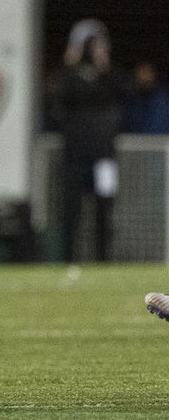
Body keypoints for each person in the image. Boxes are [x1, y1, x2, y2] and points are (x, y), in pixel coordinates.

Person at [48, 19, 123, 262]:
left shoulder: (108, 76)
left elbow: (124, 93)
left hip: (104, 155)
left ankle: (104, 259)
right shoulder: (69, 76)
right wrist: (70, 63)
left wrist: (105, 66)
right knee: (72, 209)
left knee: (105, 209)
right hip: (76, 155)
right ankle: (69, 259)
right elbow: (56, 101)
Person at [124, 61, 169, 135]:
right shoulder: (130, 103)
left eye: (147, 72)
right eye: (141, 73)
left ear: (153, 74)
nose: (144, 77)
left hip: (160, 143)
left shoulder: (163, 101)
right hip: (135, 143)